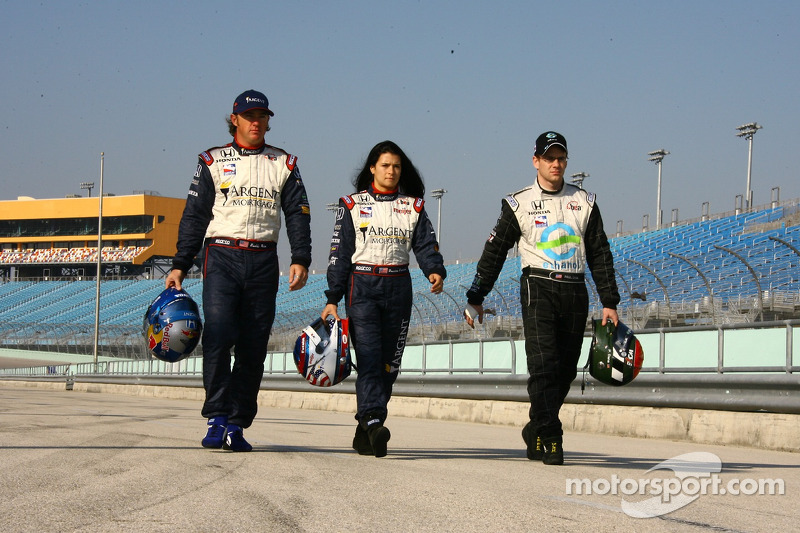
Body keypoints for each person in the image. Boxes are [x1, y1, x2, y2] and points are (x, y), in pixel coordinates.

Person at [166, 90, 312, 452]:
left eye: (262, 116)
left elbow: (297, 213)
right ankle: (216, 416)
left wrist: (301, 258)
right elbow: (194, 216)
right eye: (249, 116)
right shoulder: (212, 161)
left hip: (264, 259)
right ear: (234, 120)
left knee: (253, 346)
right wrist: (181, 263)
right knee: (218, 334)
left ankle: (237, 423)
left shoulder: (284, 163)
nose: (256, 122)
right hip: (221, 255)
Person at [464, 131, 619, 465]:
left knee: (564, 370)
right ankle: (550, 436)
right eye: (549, 158)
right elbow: (494, 252)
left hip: (575, 289)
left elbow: (600, 253)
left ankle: (536, 426)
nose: (556, 164)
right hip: (538, 286)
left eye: (561, 158)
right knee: (543, 365)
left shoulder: (585, 202)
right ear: (536, 161)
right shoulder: (517, 203)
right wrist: (476, 296)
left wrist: (610, 302)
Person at [321, 140, 446, 457]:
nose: (391, 171)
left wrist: (434, 270)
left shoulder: (413, 206)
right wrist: (333, 297)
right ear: (372, 168)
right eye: (385, 165)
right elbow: (339, 255)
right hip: (362, 285)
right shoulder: (351, 204)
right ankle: (376, 421)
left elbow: (425, 244)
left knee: (390, 366)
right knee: (371, 361)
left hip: (399, 286)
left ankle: (366, 426)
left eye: (397, 166)